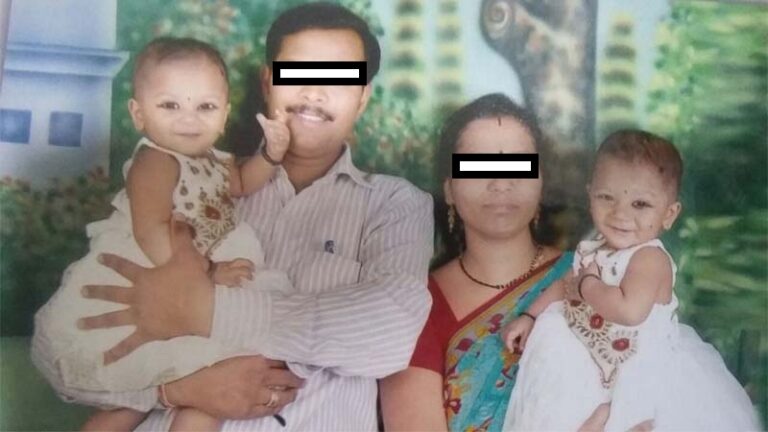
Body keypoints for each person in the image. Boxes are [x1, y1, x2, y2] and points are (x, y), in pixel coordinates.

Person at [31, 3, 434, 431]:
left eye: (339, 77)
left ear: (363, 97)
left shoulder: (394, 203)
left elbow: (392, 335)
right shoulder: (196, 188)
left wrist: (205, 311)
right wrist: (176, 390)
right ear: (268, 82)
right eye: (297, 71)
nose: (314, 91)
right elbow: (57, 355)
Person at [32, 37, 295, 431]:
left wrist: (271, 154)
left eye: (205, 107)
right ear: (139, 114)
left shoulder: (216, 161)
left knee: (194, 385)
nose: (188, 119)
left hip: (189, 285)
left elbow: (242, 182)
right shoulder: (155, 161)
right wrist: (207, 273)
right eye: (170, 105)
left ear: (224, 115)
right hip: (156, 274)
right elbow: (151, 228)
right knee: (136, 393)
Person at [501, 130, 761, 431]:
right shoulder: (594, 247)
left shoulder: (649, 259)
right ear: (590, 196)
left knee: (634, 418)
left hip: (640, 367)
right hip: (592, 357)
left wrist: (588, 285)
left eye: (640, 204)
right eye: (606, 197)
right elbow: (566, 286)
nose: (620, 214)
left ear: (668, 214)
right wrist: (530, 315)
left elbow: (629, 311)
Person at [380, 93, 576, 431]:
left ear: (541, 183)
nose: (500, 183)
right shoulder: (412, 306)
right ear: (449, 189)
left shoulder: (588, 275)